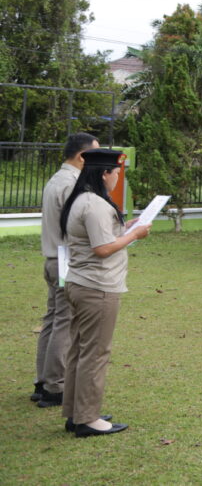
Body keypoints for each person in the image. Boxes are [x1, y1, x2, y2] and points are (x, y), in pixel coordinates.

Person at [60, 147, 151, 436]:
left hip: (81, 283)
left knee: (79, 350)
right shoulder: (95, 204)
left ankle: (76, 412)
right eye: (116, 173)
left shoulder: (83, 199)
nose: (117, 179)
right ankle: (87, 418)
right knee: (95, 353)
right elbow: (102, 249)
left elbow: (100, 236)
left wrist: (126, 228)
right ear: (104, 174)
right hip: (97, 288)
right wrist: (133, 235)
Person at [32, 132, 99, 408]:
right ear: (82, 157)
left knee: (52, 319)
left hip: (52, 257)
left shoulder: (56, 179)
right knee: (64, 321)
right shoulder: (71, 184)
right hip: (65, 259)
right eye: (94, 155)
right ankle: (54, 385)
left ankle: (43, 379)